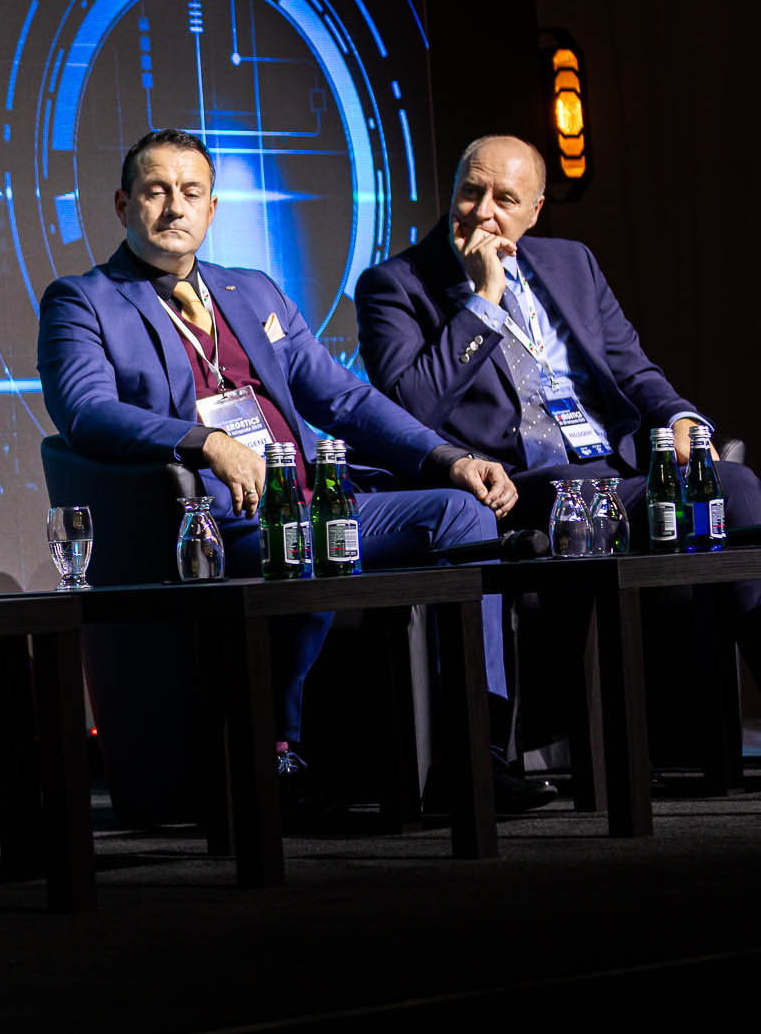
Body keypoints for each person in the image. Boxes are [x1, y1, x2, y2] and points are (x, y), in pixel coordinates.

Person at [37, 128, 551, 811]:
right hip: (212, 522)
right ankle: (279, 750)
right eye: (156, 191)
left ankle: (474, 751)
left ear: (212, 208)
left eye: (190, 192)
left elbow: (343, 397)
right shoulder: (83, 300)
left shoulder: (250, 291)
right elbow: (87, 413)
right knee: (304, 546)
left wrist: (449, 457)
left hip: (313, 503)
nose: (174, 207)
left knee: (463, 511)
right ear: (122, 204)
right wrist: (205, 441)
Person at [356, 133, 761, 673]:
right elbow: (409, 409)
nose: (482, 212)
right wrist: (484, 301)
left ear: (535, 211)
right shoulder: (394, 285)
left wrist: (680, 417)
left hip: (615, 475)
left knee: (738, 486)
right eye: (471, 192)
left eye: (505, 199)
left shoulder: (573, 263)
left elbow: (632, 369)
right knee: (579, 496)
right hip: (516, 487)